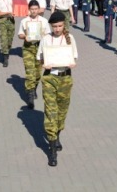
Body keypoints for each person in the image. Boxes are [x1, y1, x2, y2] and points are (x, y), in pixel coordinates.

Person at [37, 11, 78, 167]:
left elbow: (74, 56)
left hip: (65, 77)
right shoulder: (46, 39)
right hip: (49, 78)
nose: (57, 29)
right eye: (54, 26)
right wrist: (43, 64)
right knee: (51, 110)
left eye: (60, 26)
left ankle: (58, 133)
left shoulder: (70, 38)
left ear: (64, 25)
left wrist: (73, 63)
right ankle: (52, 148)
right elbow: (39, 57)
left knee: (62, 110)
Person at [18, 0, 51, 109]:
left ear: (39, 9)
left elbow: (48, 34)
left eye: (36, 9)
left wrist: (44, 36)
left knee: (37, 74)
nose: (34, 11)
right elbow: (20, 34)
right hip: (28, 48)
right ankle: (30, 96)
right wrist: (24, 37)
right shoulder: (24, 21)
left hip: (40, 48)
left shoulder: (44, 21)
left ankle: (33, 88)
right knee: (30, 72)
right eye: (32, 9)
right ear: (29, 10)